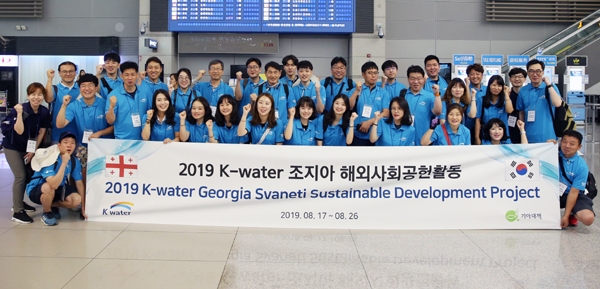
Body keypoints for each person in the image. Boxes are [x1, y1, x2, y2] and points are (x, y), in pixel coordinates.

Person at [1, 82, 51, 223]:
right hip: (12, 147)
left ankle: (20, 203)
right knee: (20, 176)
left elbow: (42, 132)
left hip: (28, 147)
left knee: (27, 175)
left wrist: (33, 151)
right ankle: (17, 211)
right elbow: (19, 130)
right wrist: (19, 113)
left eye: (39, 94)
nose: (36, 97)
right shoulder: (21, 109)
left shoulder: (44, 111)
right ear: (28, 95)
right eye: (33, 94)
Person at [56, 74, 113, 186]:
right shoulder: (74, 105)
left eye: (90, 85)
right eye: (83, 86)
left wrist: (100, 133)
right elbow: (60, 124)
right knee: (81, 175)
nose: (87, 89)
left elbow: (115, 127)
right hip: (84, 146)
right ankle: (83, 200)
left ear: (96, 88)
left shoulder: (105, 103)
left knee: (104, 176)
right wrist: (64, 105)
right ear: (79, 88)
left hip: (104, 146)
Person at [25, 131, 84, 226]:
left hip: (57, 188)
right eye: (66, 142)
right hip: (36, 189)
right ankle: (47, 212)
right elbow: (53, 184)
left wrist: (83, 209)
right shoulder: (49, 157)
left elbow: (79, 183)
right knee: (49, 187)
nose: (69, 145)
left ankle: (51, 205)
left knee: (76, 199)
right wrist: (64, 163)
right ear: (59, 145)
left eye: (72, 143)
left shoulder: (74, 161)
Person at [517, 59, 562, 143]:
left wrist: (549, 85)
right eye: (531, 71)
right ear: (527, 73)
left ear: (543, 72)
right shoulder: (523, 90)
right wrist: (522, 132)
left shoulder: (550, 87)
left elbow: (558, 103)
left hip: (549, 137)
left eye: (538, 71)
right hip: (529, 137)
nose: (535, 74)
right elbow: (521, 112)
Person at [557, 130, 594, 227]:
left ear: (579, 147)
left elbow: (574, 192)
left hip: (572, 193)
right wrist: (548, 145)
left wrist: (566, 215)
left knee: (588, 218)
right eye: (564, 142)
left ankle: (572, 213)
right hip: (551, 192)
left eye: (572, 144)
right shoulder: (553, 153)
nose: (567, 146)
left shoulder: (581, 166)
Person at [348, 61, 391, 146]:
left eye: (375, 73)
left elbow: (386, 113)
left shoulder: (383, 93)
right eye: (370, 73)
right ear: (363, 74)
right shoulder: (356, 90)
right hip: (357, 133)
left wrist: (370, 122)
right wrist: (357, 91)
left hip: (376, 133)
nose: (373, 76)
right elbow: (349, 106)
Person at [105, 61, 149, 140]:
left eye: (132, 74)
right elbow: (110, 121)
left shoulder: (144, 91)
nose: (130, 78)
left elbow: (150, 112)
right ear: (121, 76)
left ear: (137, 75)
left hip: (142, 140)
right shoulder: (113, 95)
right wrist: (111, 107)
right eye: (126, 75)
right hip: (121, 140)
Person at [403, 65, 443, 144]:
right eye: (412, 79)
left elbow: (438, 112)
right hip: (405, 141)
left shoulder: (430, 96)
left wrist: (437, 94)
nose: (416, 82)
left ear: (424, 80)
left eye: (419, 78)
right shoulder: (402, 95)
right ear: (408, 79)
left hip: (423, 140)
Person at [45, 61, 80, 143]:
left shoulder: (82, 89)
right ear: (59, 73)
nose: (68, 74)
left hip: (78, 135)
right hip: (58, 136)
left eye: (71, 71)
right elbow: (48, 99)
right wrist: (50, 78)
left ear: (75, 73)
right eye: (64, 71)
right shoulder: (55, 89)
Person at [474, 75, 514, 145]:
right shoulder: (482, 100)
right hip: (487, 137)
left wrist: (506, 94)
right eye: (494, 85)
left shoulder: (505, 100)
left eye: (499, 86)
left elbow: (509, 110)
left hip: (503, 137)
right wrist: (477, 138)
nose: (496, 88)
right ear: (489, 86)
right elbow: (478, 120)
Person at [507, 67, 527, 144]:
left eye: (520, 76)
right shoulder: (507, 94)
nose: (517, 79)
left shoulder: (528, 94)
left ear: (525, 79)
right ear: (510, 79)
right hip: (510, 126)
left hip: (526, 126)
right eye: (514, 76)